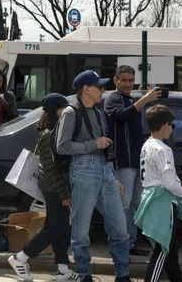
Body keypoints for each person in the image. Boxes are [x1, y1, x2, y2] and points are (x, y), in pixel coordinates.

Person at [56, 70, 131, 282]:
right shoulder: (71, 113)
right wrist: (93, 145)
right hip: (84, 169)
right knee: (81, 229)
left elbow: (104, 149)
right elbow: (61, 147)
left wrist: (112, 175)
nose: (103, 90)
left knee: (120, 228)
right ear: (86, 89)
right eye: (99, 86)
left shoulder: (98, 112)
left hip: (104, 169)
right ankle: (84, 274)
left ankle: (122, 274)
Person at [8, 93, 78, 282]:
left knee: (59, 228)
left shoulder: (57, 130)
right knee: (55, 229)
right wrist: (63, 193)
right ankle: (20, 257)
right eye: (64, 108)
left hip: (56, 187)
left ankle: (63, 269)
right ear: (56, 110)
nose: (68, 112)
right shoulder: (49, 134)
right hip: (54, 188)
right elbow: (50, 168)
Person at [104, 65, 162, 257]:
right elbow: (121, 115)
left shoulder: (131, 100)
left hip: (138, 161)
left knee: (136, 202)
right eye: (124, 80)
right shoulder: (113, 99)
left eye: (131, 80)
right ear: (115, 80)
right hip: (122, 161)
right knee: (124, 203)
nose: (128, 84)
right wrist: (145, 99)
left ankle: (129, 241)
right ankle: (121, 243)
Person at [134, 104, 182, 282]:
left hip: (150, 199)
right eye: (172, 125)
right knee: (163, 250)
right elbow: (169, 182)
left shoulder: (146, 145)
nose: (172, 129)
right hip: (164, 203)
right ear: (165, 125)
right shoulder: (164, 149)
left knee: (170, 250)